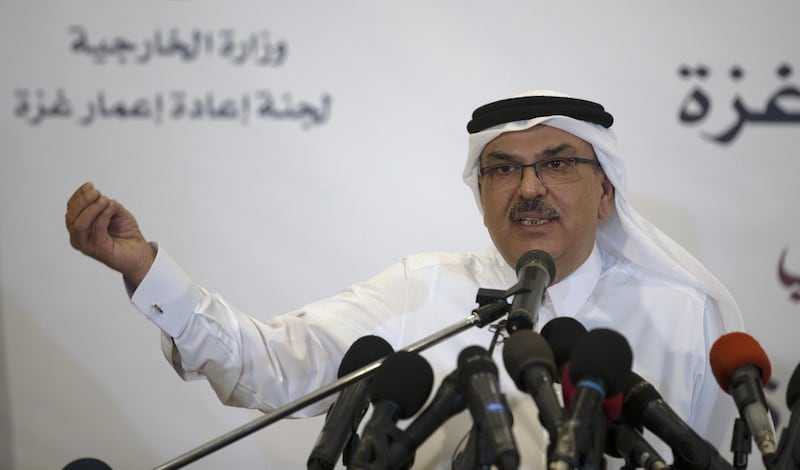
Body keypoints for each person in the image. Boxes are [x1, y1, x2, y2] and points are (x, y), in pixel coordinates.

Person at [65, 89, 744, 469]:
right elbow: (264, 367)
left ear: (606, 194)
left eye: (558, 163)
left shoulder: (682, 312)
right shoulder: (424, 291)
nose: (529, 188)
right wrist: (149, 271)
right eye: (502, 168)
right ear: (480, 194)